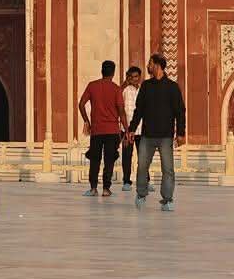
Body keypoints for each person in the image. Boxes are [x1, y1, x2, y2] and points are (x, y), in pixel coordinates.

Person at [125, 53, 186, 211]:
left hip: (165, 136)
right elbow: (139, 110)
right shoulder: (146, 86)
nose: (148, 66)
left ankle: (167, 199)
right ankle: (141, 194)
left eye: (150, 63)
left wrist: (180, 133)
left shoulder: (172, 87)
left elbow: (180, 111)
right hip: (147, 135)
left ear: (157, 65)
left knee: (168, 169)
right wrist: (132, 129)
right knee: (142, 167)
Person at [78, 60, 125, 197]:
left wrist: (87, 121)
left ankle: (93, 188)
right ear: (113, 72)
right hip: (112, 130)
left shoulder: (92, 86)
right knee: (109, 160)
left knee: (95, 159)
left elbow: (81, 104)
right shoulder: (116, 89)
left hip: (97, 130)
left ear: (102, 71)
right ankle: (106, 189)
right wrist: (127, 129)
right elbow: (121, 111)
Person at [119, 65, 142, 190]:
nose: (134, 79)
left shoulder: (143, 90)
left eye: (136, 77)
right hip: (126, 129)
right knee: (127, 156)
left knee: (143, 156)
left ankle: (145, 181)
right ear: (128, 78)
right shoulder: (124, 90)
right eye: (132, 77)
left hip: (141, 129)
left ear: (139, 77)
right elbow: (118, 106)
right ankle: (126, 181)